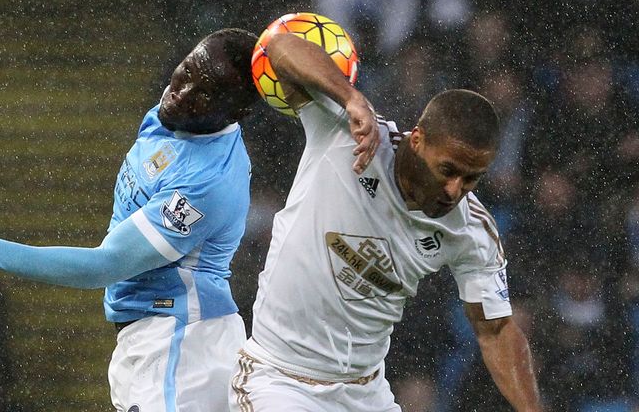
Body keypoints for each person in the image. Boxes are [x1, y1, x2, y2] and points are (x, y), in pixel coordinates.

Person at [0, 27, 383, 412]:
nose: (183, 91)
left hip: (184, 345)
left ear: (234, 112)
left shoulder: (207, 183)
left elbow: (103, 266)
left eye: (206, 91)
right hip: (150, 339)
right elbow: (270, 47)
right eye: (187, 70)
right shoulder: (173, 115)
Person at [229, 33, 542, 411]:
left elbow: (496, 331)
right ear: (418, 141)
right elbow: (278, 47)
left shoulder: (472, 231)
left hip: (364, 393)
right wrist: (349, 97)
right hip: (279, 379)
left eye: (471, 178)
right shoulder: (350, 132)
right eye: (448, 170)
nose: (455, 188)